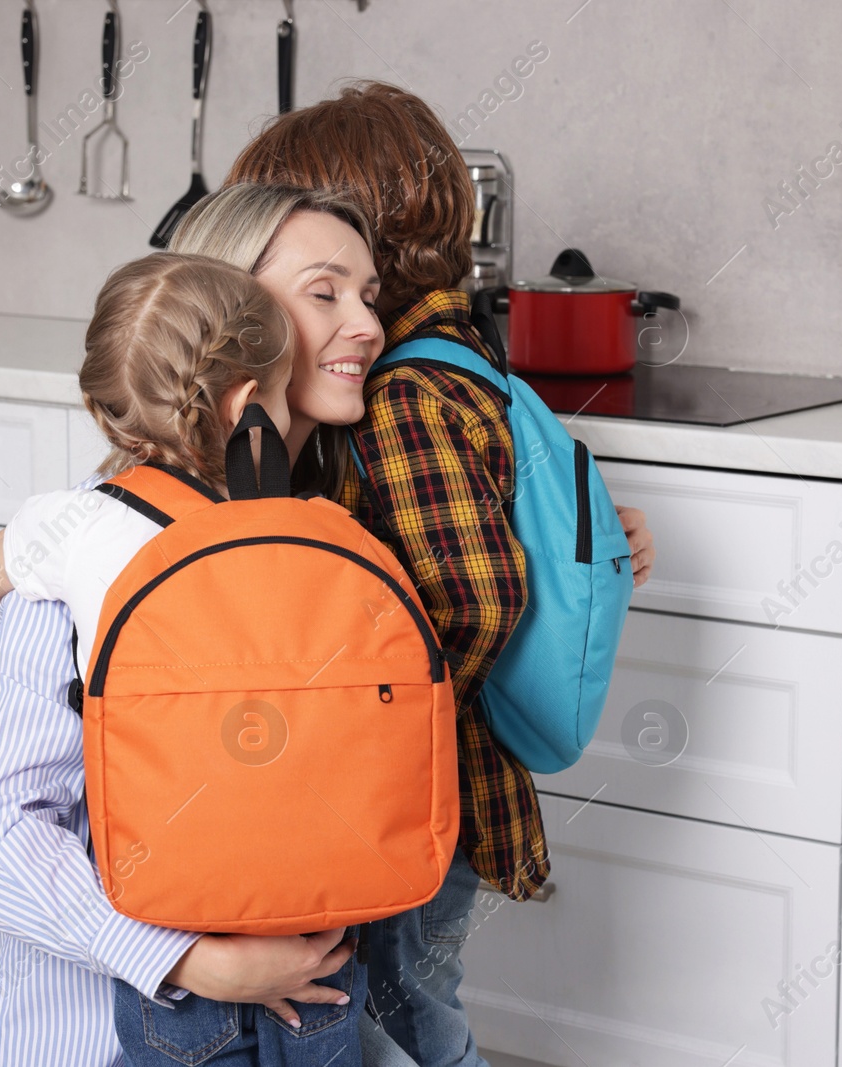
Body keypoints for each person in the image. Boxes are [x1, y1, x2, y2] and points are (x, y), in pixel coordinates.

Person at [223, 82, 655, 1067]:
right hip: (441, 786)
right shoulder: (460, 350)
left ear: (353, 224)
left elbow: (473, 597)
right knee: (407, 1004)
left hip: (410, 790)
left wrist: (358, 732)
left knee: (405, 1017)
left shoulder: (399, 392)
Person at [0, 186, 413, 1067]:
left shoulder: (323, 536)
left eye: (369, 295)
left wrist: (602, 539)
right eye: (324, 293)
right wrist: (194, 959)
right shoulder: (91, 555)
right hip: (94, 1034)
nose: (367, 324)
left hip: (305, 998)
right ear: (228, 314)